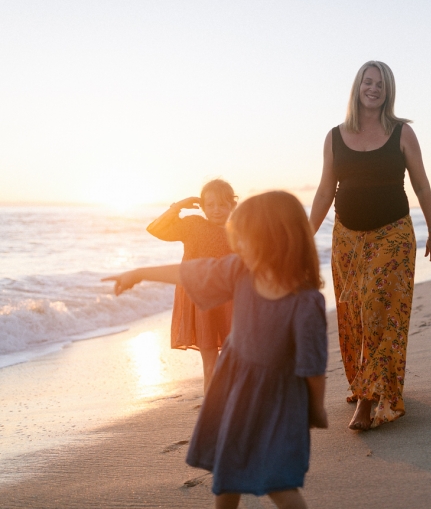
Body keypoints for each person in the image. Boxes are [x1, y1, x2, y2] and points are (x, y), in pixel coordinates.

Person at [104, 191, 328, 509]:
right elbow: (189, 272)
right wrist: (139, 273)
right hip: (233, 388)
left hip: (274, 399)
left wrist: (315, 408)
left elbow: (313, 367)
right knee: (227, 472)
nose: (235, 245)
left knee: (278, 481)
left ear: (277, 240)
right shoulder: (240, 269)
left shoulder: (307, 302)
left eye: (244, 238)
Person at [309, 60, 431, 431]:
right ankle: (366, 383)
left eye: (380, 84)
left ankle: (369, 402)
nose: (373, 88)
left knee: (381, 315)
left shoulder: (402, 133)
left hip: (393, 236)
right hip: (347, 239)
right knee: (353, 315)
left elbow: (422, 185)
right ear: (357, 87)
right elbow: (324, 191)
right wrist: (305, 236)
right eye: (368, 82)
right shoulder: (335, 136)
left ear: (388, 92)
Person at [146, 179, 237, 394]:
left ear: (232, 206)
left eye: (222, 204)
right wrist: (177, 207)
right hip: (200, 300)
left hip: (231, 300)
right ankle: (212, 413)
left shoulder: (239, 230)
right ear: (202, 206)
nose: (216, 210)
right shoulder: (193, 225)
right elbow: (155, 229)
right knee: (210, 364)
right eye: (210, 204)